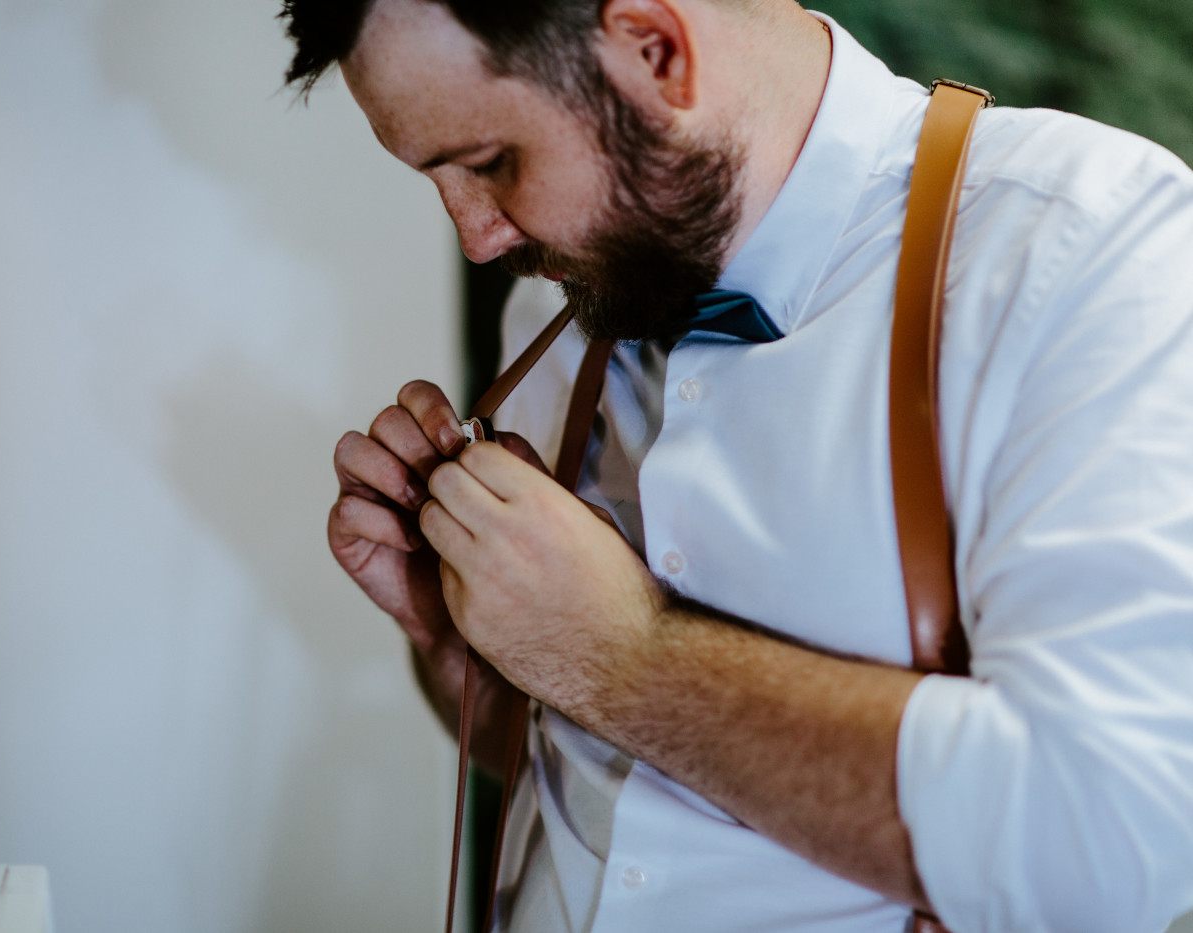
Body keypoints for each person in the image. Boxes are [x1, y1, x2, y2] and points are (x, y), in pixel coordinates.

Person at [282, 0, 1193, 930]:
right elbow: (586, 777)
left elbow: (1108, 840)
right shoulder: (574, 296)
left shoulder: (1090, 250)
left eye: (490, 163)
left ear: (656, 51)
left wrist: (624, 657)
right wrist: (465, 646)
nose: (480, 238)